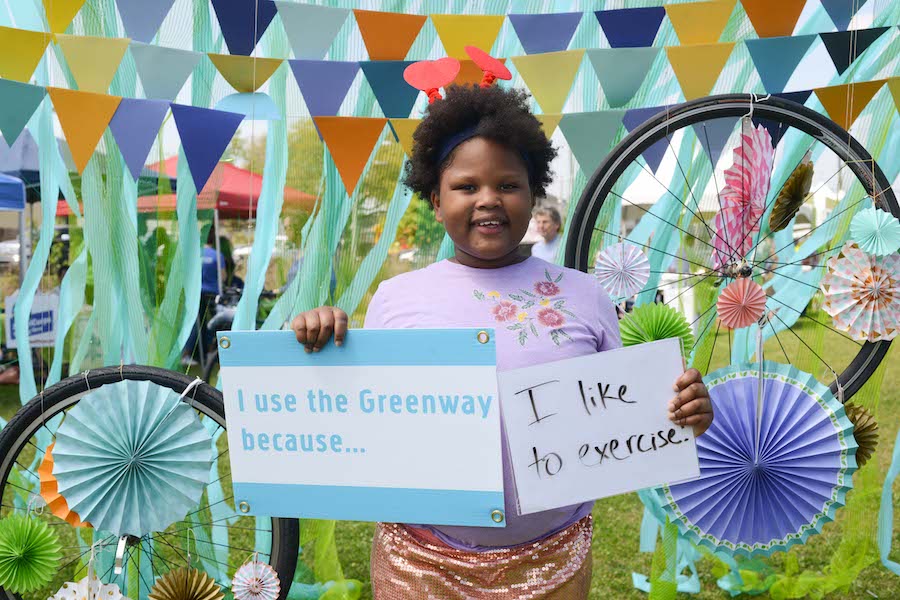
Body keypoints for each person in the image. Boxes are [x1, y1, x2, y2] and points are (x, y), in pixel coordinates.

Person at [290, 81, 713, 597]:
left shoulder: (583, 295)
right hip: (419, 563)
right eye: (466, 186)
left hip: (552, 561)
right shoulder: (395, 298)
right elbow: (362, 419)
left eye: (508, 185)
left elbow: (629, 421)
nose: (488, 198)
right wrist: (319, 343)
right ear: (434, 199)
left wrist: (684, 413)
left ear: (533, 194)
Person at [182, 226, 226, 366]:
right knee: (211, 324)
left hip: (195, 294)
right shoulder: (217, 255)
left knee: (195, 323)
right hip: (212, 294)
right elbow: (223, 276)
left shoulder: (196, 253)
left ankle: (187, 353)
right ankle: (208, 353)